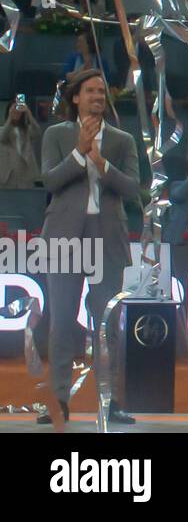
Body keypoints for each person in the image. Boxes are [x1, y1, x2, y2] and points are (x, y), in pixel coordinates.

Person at [38, 69, 139, 425]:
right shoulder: (56, 134)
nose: (98, 96)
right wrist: (80, 154)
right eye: (91, 91)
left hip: (107, 237)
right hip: (65, 236)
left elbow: (133, 189)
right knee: (61, 321)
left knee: (106, 325)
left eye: (102, 91)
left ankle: (109, 401)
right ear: (76, 97)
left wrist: (101, 162)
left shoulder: (122, 140)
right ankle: (59, 401)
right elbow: (49, 180)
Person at [0, 98, 43, 189]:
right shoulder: (3, 130)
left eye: (18, 111)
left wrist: (28, 113)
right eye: (14, 111)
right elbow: (2, 137)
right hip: (8, 174)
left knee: (25, 199)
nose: (16, 113)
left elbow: (38, 132)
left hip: (25, 172)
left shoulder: (26, 130)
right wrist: (10, 118)